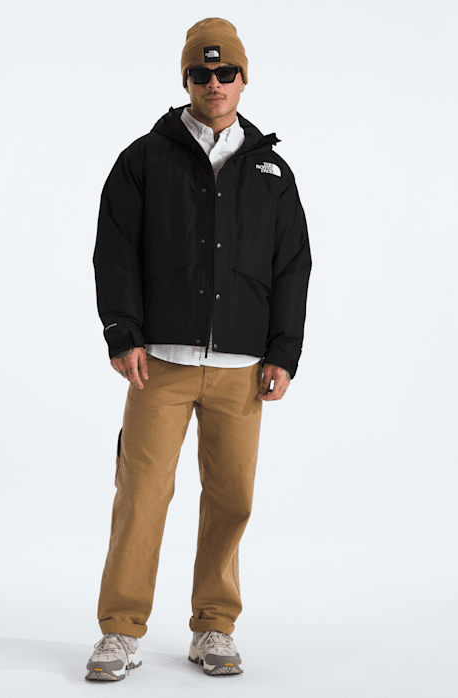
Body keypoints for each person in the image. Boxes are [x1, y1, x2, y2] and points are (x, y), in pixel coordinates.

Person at [85, 17, 311, 681]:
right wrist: (122, 332)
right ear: (185, 79)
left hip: (242, 369)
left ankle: (214, 625)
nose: (215, 84)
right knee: (141, 495)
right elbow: (114, 250)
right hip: (159, 366)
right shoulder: (144, 160)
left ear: (244, 78)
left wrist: (283, 352)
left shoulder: (271, 171)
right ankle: (119, 630)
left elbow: (292, 266)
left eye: (226, 72)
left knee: (233, 498)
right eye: (201, 73)